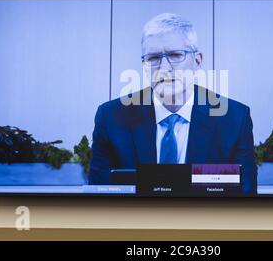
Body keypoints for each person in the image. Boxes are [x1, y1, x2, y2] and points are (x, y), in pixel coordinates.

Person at [88, 13, 257, 194]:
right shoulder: (111, 118)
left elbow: (245, 201)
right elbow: (99, 200)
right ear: (144, 64)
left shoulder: (234, 119)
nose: (165, 68)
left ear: (198, 60)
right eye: (153, 58)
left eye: (176, 55)